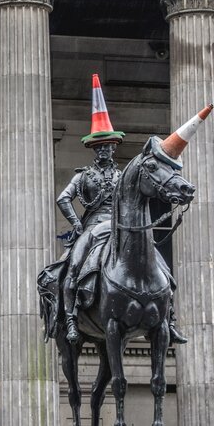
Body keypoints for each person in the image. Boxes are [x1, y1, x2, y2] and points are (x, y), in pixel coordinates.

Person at [56, 73, 187, 345]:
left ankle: (169, 318)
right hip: (92, 228)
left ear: (114, 148)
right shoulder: (84, 176)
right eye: (99, 146)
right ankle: (70, 317)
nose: (104, 150)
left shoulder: (121, 177)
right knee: (73, 266)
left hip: (118, 228)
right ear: (93, 148)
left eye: (108, 145)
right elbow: (63, 199)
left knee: (160, 266)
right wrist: (76, 223)